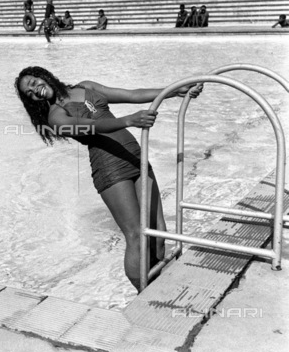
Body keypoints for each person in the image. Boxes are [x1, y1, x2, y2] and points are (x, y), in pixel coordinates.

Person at [15, 67, 202, 292]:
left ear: (44, 75)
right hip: (110, 167)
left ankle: (157, 283)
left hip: (134, 156)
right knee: (135, 235)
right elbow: (92, 126)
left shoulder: (86, 86)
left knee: (158, 231)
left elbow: (131, 94)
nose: (35, 90)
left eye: (34, 82)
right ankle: (144, 291)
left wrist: (174, 91)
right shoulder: (56, 117)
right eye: (29, 93)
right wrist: (129, 121)